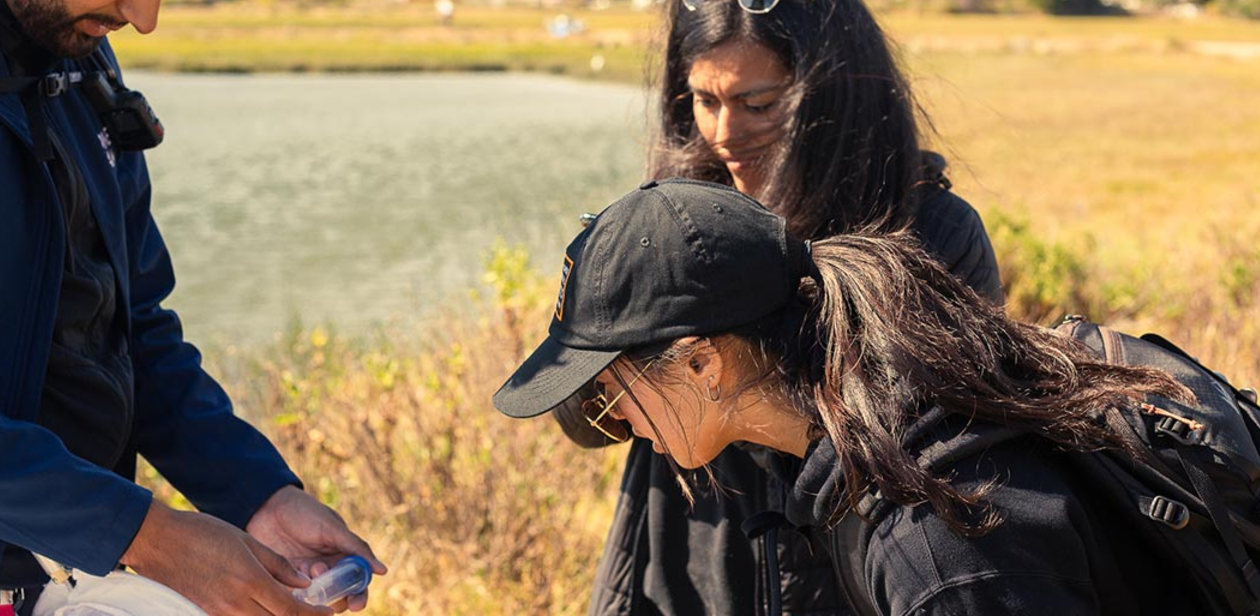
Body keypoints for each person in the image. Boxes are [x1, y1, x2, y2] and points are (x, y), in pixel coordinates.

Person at [495, 178, 1208, 616]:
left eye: (613, 385)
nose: (612, 416)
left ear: (702, 362)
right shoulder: (887, 430)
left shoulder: (938, 541)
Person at [552, 0, 1003, 615]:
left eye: (758, 104)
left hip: (853, 582)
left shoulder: (930, 234)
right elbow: (584, 424)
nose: (724, 132)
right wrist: (594, 340)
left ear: (832, 98)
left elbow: (951, 449)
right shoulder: (664, 225)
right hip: (683, 572)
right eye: (703, 101)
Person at [0, 0, 385, 614]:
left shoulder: (79, 63)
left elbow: (136, 330)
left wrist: (257, 494)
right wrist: (148, 535)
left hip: (55, 578)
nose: (145, 15)